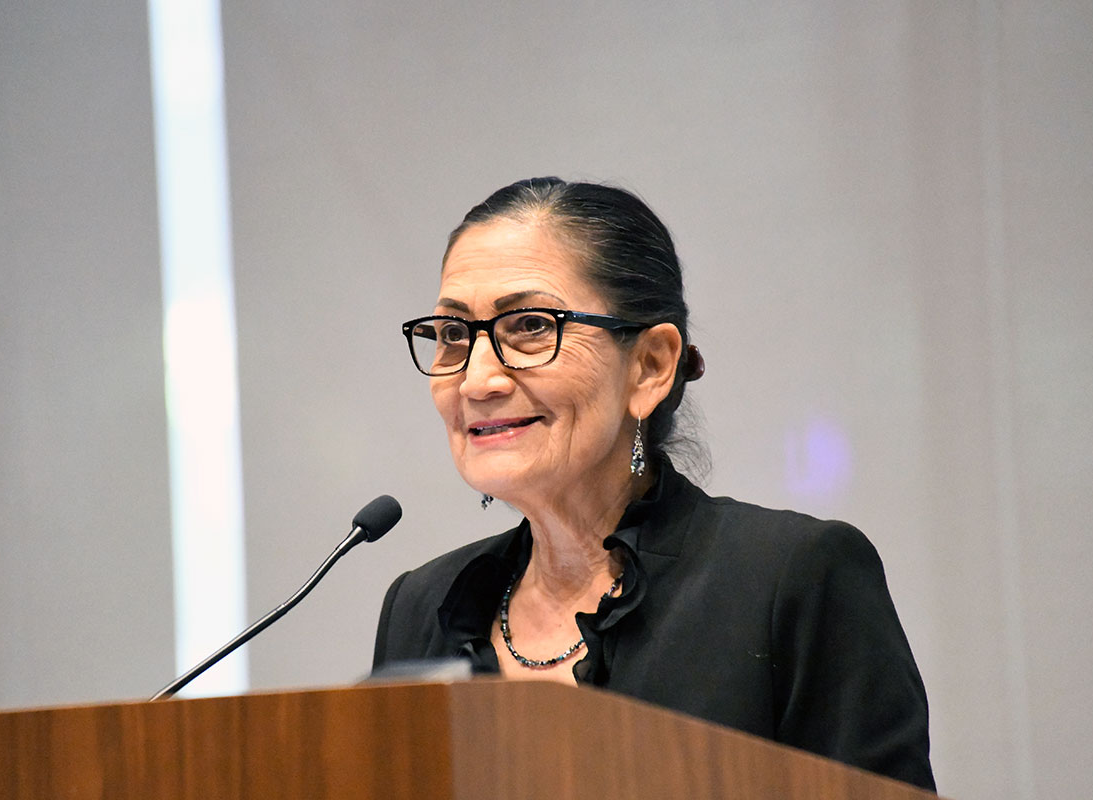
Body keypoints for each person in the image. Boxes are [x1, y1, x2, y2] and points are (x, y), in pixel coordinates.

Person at [373, 177, 935, 790]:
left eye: (531, 325)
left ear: (650, 366)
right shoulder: (423, 607)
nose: (477, 380)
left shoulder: (792, 580)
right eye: (453, 334)